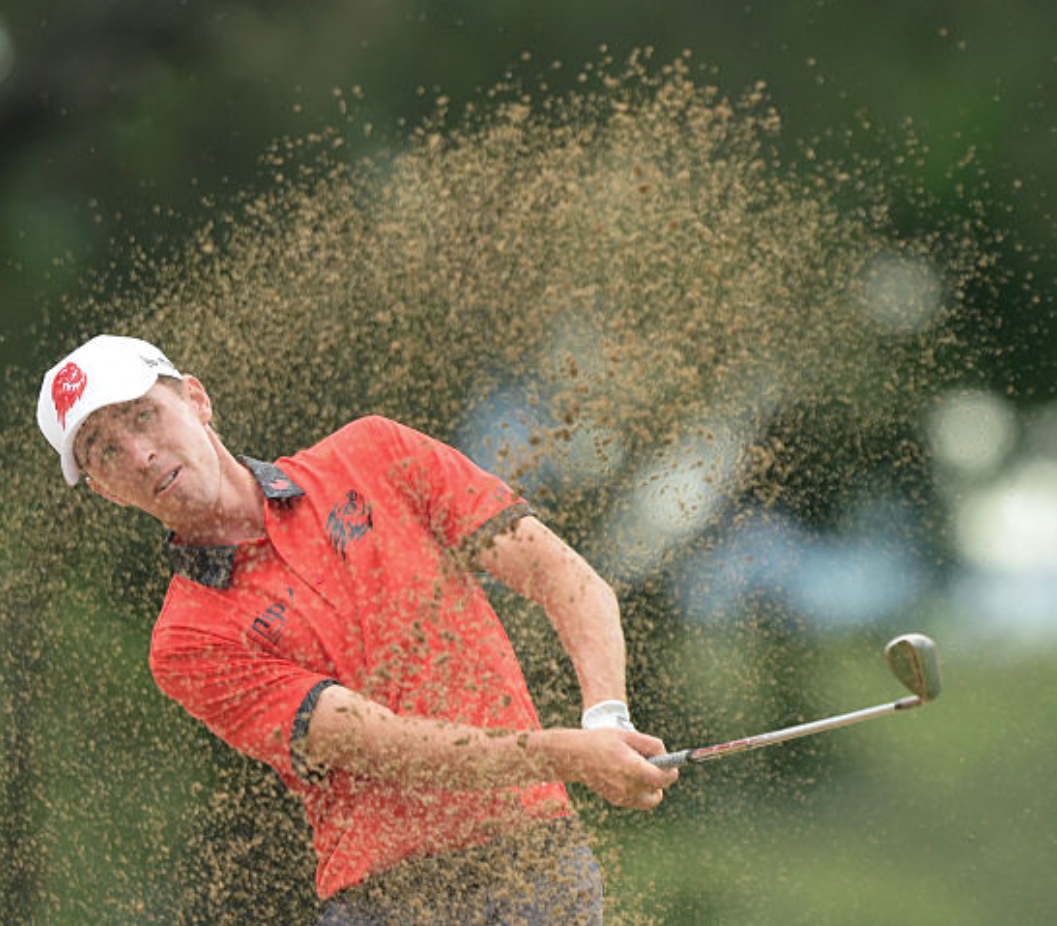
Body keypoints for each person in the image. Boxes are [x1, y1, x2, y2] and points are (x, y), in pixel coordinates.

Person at [36, 334, 678, 923]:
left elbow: (563, 578)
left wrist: (607, 720)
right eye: (106, 451)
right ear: (106, 491)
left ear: (197, 400)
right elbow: (388, 745)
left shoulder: (374, 452)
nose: (141, 454)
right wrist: (573, 756)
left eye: (144, 415)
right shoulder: (187, 640)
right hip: (387, 902)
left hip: (540, 872)